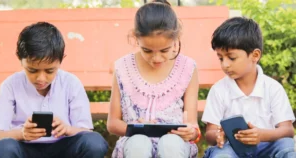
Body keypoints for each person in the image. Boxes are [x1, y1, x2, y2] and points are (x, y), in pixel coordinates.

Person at [0, 22, 108, 158]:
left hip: (63, 148)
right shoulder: (10, 85)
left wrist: (67, 129)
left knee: (94, 142)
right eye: (32, 70)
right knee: (5, 147)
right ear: (21, 61)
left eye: (50, 70)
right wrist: (22, 133)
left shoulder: (71, 83)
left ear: (60, 62)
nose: (41, 78)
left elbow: (86, 133)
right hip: (25, 148)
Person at [107, 0, 201, 157]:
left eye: (164, 50)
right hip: (134, 145)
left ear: (176, 39)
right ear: (135, 38)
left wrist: (191, 132)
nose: (156, 58)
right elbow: (113, 123)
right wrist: (133, 128)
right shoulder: (122, 67)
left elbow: (192, 125)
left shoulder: (188, 67)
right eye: (147, 50)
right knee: (139, 143)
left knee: (170, 143)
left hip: (175, 146)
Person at [202, 17, 296, 158]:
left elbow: (288, 130)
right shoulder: (218, 90)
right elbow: (210, 133)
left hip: (267, 147)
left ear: (255, 55)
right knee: (222, 155)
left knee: (287, 148)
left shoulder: (272, 88)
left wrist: (262, 134)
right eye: (221, 58)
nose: (225, 65)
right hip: (232, 149)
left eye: (231, 58)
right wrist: (219, 136)